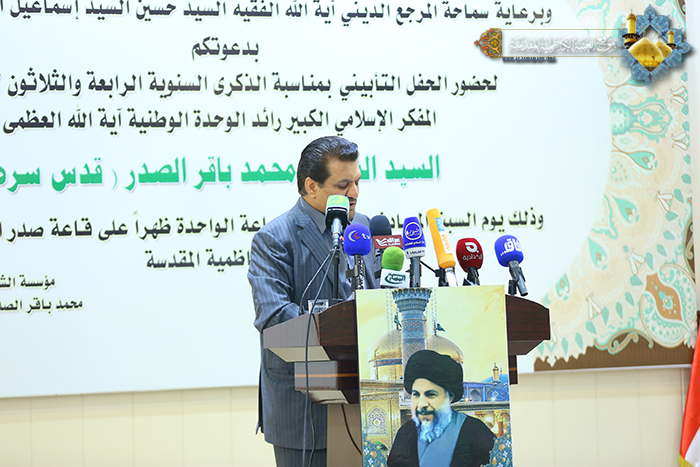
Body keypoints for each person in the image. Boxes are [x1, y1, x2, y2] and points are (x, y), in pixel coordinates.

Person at [248, 136, 381, 467]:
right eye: (343, 185)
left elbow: (376, 297)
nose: (354, 192)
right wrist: (338, 326)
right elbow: (274, 317)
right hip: (303, 407)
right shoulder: (274, 238)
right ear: (311, 187)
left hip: (371, 402)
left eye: (357, 182)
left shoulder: (363, 227)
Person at [387, 350, 496, 467]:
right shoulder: (406, 432)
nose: (421, 404)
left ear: (450, 397)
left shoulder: (474, 431)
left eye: (430, 394)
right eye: (416, 394)